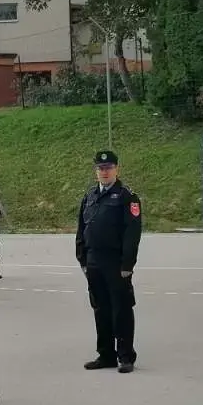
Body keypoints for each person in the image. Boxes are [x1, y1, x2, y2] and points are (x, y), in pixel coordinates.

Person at [75, 149, 143, 373]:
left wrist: (127, 265)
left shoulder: (126, 196)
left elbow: (132, 233)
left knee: (121, 308)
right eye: (100, 168)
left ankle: (125, 356)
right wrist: (82, 258)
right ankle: (106, 354)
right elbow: (81, 229)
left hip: (115, 262)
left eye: (108, 168)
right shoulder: (90, 196)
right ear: (96, 171)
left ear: (117, 169)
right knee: (100, 308)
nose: (104, 172)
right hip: (93, 261)